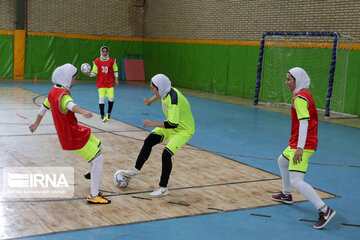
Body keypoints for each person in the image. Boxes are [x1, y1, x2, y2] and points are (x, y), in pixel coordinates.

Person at [29, 63, 111, 204]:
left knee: (99, 145)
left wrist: (36, 124)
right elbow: (70, 106)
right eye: (74, 78)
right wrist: (83, 111)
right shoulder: (63, 95)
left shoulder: (54, 91)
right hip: (71, 136)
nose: (75, 81)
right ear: (67, 78)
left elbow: (43, 108)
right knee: (98, 159)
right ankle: (94, 195)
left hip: (75, 130)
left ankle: (92, 172)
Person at [271, 67, 335, 229]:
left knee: (296, 181)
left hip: (303, 144)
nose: (286, 83)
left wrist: (300, 147)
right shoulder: (304, 94)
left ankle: (324, 209)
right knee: (282, 161)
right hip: (296, 142)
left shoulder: (300, 98)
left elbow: (304, 122)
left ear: (297, 81)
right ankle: (286, 194)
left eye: (289, 80)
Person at [118, 74, 195, 197]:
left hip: (183, 130)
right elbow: (159, 96)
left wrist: (153, 123)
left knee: (166, 154)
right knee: (149, 140)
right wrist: (150, 100)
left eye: (152, 88)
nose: (151, 90)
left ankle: (163, 188)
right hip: (173, 126)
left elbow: (172, 124)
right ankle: (136, 170)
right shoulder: (165, 92)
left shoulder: (174, 100)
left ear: (159, 88)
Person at [82, 46, 119, 122]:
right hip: (101, 83)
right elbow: (94, 73)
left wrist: (116, 79)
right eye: (103, 51)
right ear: (101, 52)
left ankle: (108, 114)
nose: (104, 53)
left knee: (111, 99)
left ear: (107, 52)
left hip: (110, 83)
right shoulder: (96, 62)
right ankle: (102, 115)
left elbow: (115, 70)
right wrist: (88, 74)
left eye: (106, 51)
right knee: (101, 99)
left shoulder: (112, 61)